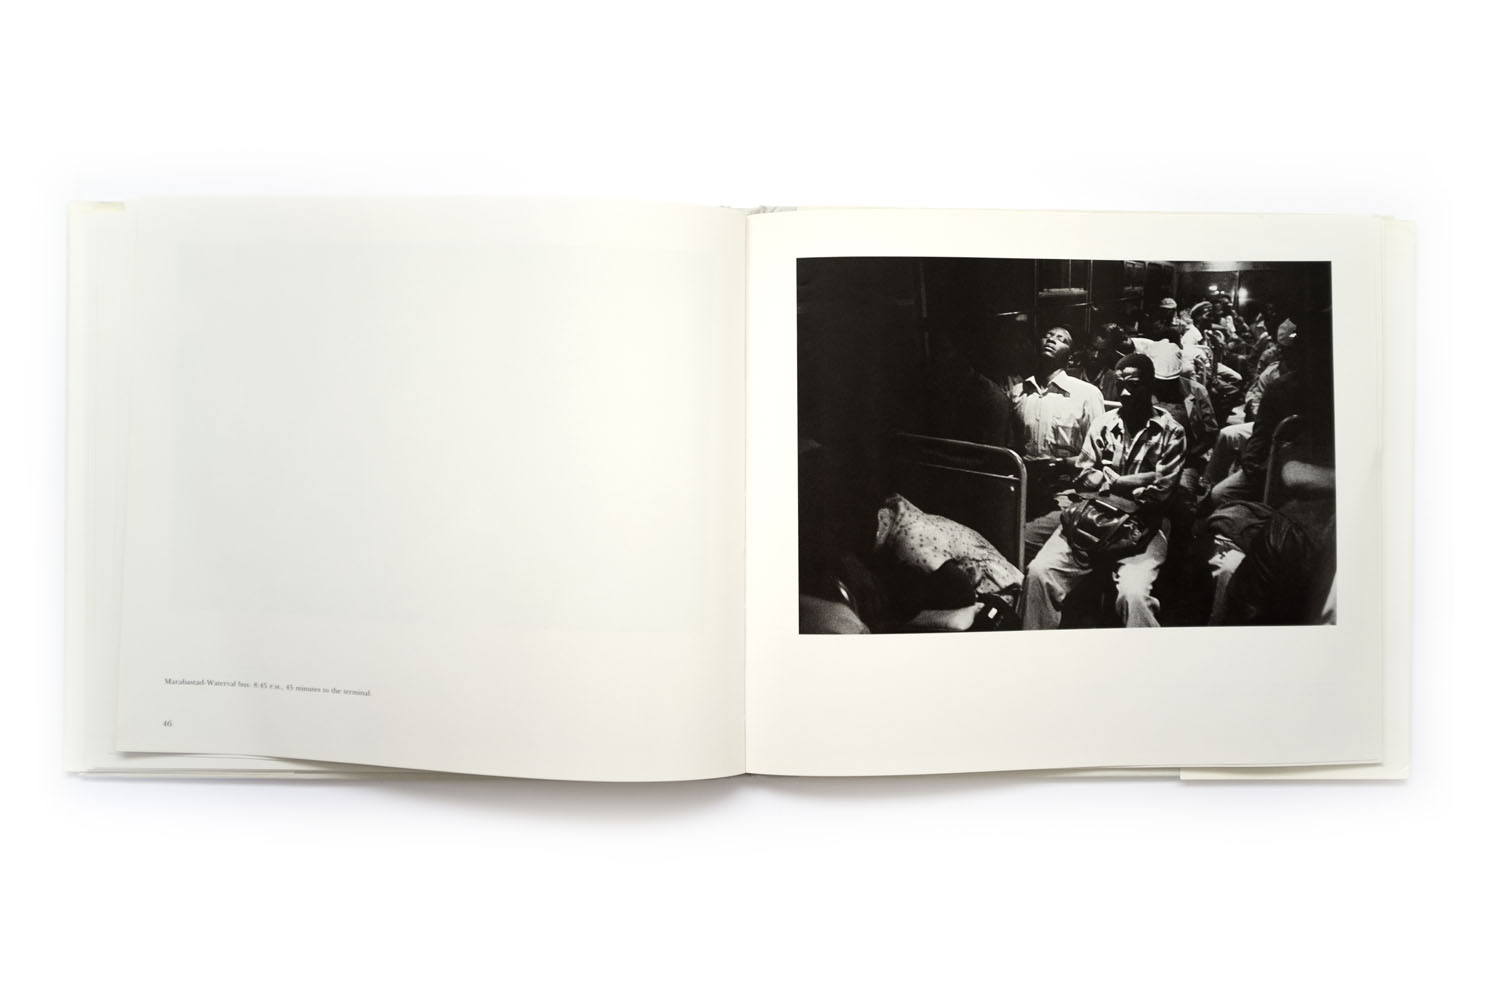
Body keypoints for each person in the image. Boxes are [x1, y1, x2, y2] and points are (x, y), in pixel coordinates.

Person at [1021, 353, 1187, 629]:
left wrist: (1114, 481)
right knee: (1039, 573)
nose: (1124, 393)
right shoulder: (1104, 424)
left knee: (1133, 596)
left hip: (1143, 526)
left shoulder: (1171, 432)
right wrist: (1139, 480)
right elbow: (1084, 478)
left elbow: (1159, 493)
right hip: (1093, 517)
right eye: (1121, 385)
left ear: (1149, 386)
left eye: (1133, 385)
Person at [1010, 326, 1107, 558]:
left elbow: (1100, 454)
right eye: (1048, 335)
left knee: (1018, 541)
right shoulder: (1018, 392)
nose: (1052, 340)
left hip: (1067, 494)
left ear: (1070, 356)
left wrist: (1060, 465)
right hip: (1024, 490)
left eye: (1061, 339)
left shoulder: (1086, 394)